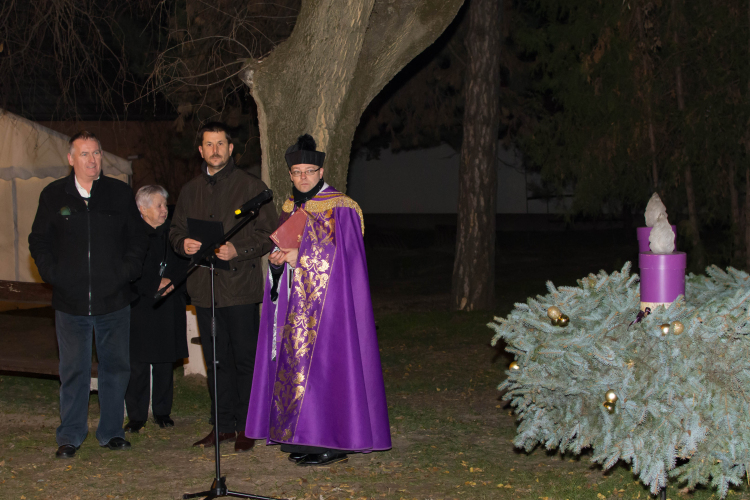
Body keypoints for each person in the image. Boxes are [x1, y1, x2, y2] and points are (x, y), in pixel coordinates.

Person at [245, 134, 391, 466]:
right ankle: (303, 439)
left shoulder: (341, 207)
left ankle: (333, 442)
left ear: (321, 171)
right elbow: (284, 250)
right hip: (295, 308)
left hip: (331, 309)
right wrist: (278, 263)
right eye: (297, 172)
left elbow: (345, 260)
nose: (303, 178)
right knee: (296, 374)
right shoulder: (289, 207)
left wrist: (302, 256)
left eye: (309, 171)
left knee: (328, 371)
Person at [29, 131, 148, 459]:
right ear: (71, 159)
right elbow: (38, 240)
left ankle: (111, 432)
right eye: (84, 154)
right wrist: (54, 275)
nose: (92, 160)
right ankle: (70, 435)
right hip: (71, 302)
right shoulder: (54, 196)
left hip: (114, 300)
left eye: (96, 153)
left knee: (115, 368)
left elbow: (138, 238)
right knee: (74, 370)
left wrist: (126, 271)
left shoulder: (119, 193)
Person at [170, 122, 277, 453]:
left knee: (244, 359)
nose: (214, 149)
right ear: (200, 150)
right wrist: (182, 243)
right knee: (216, 361)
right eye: (208, 144)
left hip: (240, 289)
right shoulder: (190, 191)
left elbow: (268, 234)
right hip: (205, 289)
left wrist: (238, 250)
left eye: (221, 144)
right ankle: (222, 426)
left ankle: (247, 426)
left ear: (231, 149)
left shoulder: (251, 187)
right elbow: (175, 230)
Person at [124, 185, 189, 433]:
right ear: (142, 208)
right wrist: (153, 283)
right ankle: (137, 415)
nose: (164, 210)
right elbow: (128, 269)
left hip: (167, 304)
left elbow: (184, 262)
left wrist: (172, 282)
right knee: (138, 364)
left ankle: (162, 412)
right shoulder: (131, 233)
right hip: (140, 305)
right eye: (159, 205)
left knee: (164, 362)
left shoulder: (173, 232)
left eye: (164, 205)